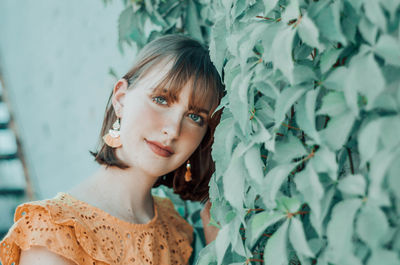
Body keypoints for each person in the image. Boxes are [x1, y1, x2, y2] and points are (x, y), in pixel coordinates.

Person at [0, 34, 224, 265]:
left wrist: (218, 249)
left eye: (195, 117)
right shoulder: (52, 232)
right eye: (161, 99)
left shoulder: (177, 231)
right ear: (121, 99)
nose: (173, 129)